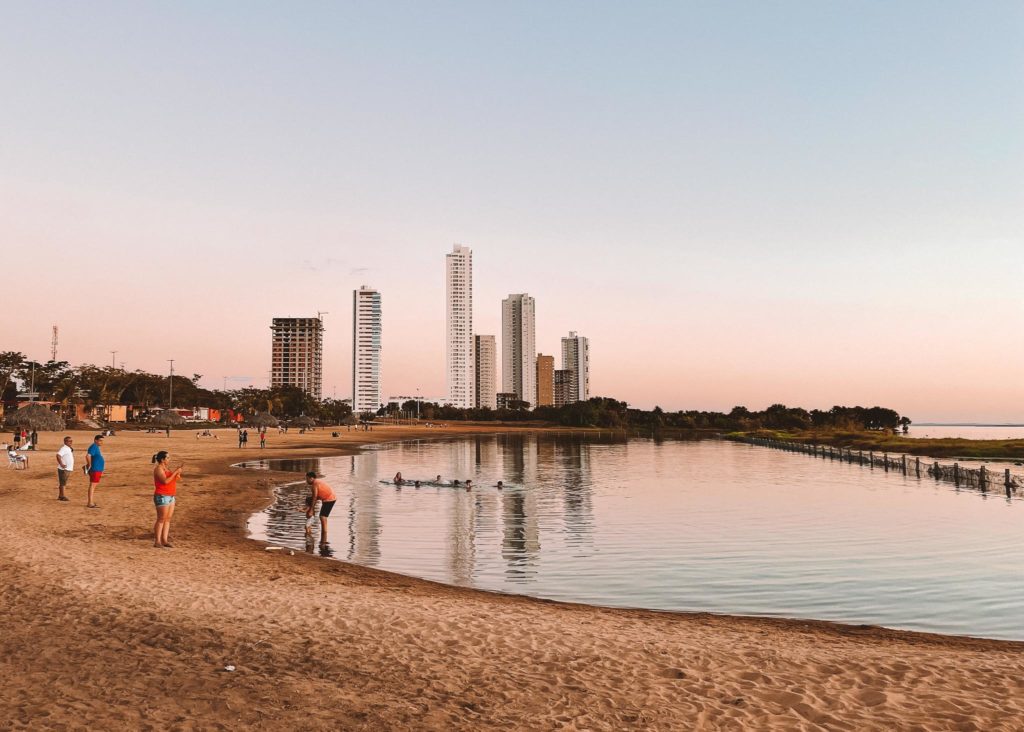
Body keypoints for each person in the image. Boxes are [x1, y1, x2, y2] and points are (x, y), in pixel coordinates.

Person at [152, 450, 184, 548]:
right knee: (161, 519)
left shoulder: (165, 468)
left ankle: (164, 540)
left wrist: (177, 474)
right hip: (162, 495)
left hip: (170, 495)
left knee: (167, 519)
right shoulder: (158, 469)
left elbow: (174, 480)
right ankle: (157, 541)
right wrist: (175, 473)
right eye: (168, 458)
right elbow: (165, 481)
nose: (169, 459)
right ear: (162, 459)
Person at [305, 471, 336, 545]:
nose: (306, 481)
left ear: (311, 478)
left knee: (323, 517)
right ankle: (324, 536)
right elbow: (316, 496)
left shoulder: (315, 484)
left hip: (330, 499)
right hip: (328, 498)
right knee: (322, 516)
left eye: (307, 479)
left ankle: (324, 537)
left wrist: (311, 510)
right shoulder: (317, 482)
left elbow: (315, 497)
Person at [83, 434, 105, 508]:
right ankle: (90, 502)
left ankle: (91, 502)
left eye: (102, 441)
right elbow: (87, 456)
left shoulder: (95, 447)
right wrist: (89, 465)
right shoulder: (94, 446)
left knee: (93, 485)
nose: (101, 442)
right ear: (95, 440)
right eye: (100, 441)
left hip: (97, 469)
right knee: (93, 486)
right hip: (95, 469)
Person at [56, 436, 74, 501]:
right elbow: (58, 455)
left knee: (63, 482)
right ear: (65, 442)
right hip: (64, 469)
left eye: (71, 441)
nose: (71, 442)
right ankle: (62, 496)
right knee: (63, 483)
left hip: (67, 468)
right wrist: (61, 464)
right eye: (69, 441)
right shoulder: (64, 448)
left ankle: (60, 495)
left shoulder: (68, 448)